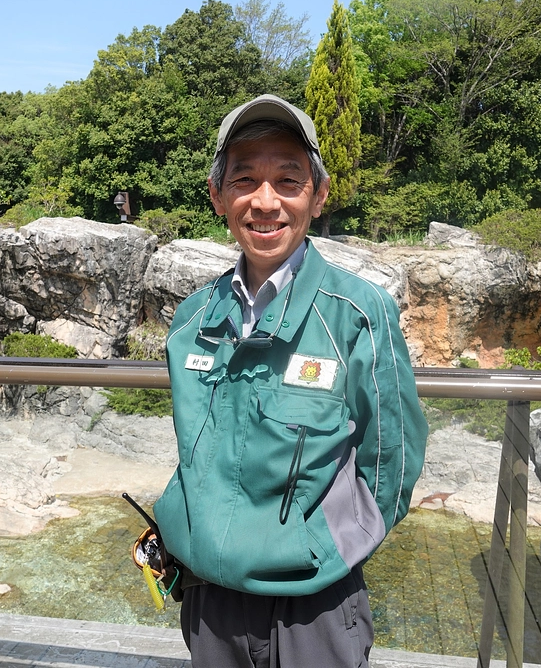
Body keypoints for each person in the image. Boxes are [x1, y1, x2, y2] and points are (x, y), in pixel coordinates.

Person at [153, 94, 428, 668]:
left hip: (313, 605)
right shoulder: (192, 319)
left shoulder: (357, 313)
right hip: (209, 602)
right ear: (217, 196)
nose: (265, 201)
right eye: (245, 179)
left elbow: (392, 460)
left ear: (318, 194)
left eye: (288, 180)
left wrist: (324, 547)